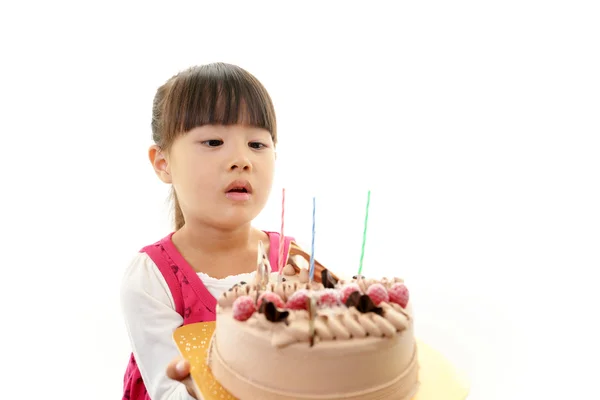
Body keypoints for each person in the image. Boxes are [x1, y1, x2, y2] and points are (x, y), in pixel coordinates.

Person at [120, 63, 325, 400]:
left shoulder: (295, 260)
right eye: (214, 141)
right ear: (163, 162)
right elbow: (169, 390)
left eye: (257, 144)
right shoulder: (150, 278)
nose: (241, 159)